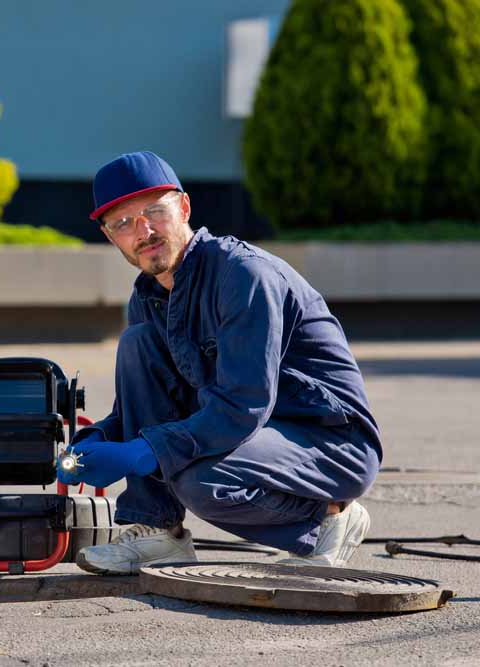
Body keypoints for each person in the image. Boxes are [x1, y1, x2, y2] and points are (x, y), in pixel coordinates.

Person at [58, 151, 382, 575]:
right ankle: (159, 532)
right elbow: (148, 403)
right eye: (123, 223)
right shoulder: (148, 296)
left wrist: (145, 451)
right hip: (253, 434)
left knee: (202, 482)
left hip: (327, 442)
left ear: (185, 208)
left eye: (155, 211)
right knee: (137, 343)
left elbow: (241, 405)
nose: (145, 230)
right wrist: (99, 436)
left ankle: (329, 517)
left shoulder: (244, 276)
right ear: (110, 236)